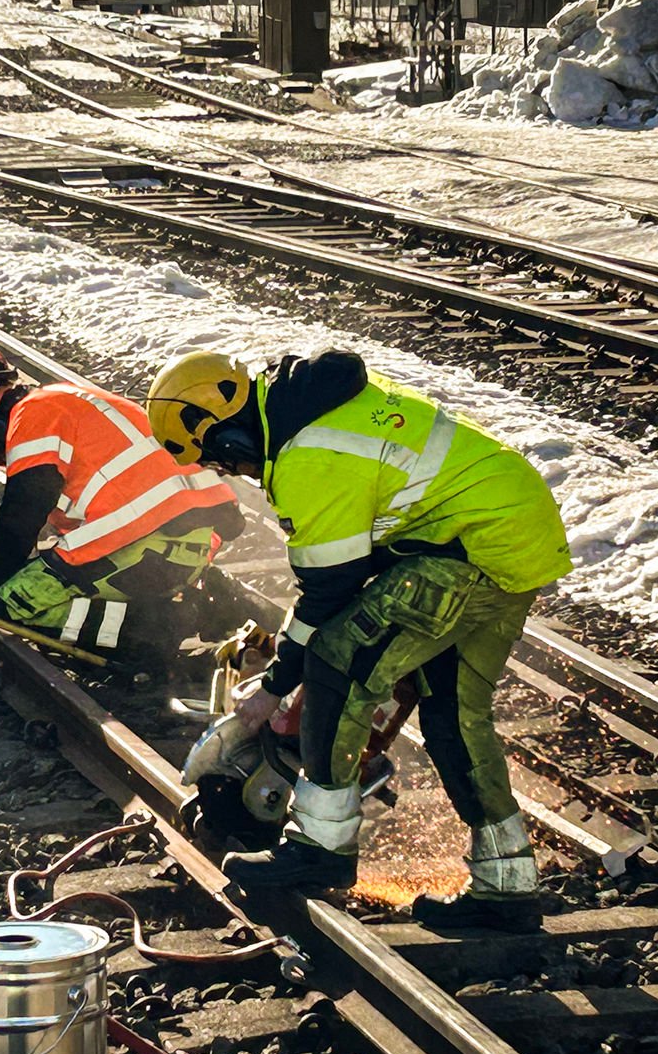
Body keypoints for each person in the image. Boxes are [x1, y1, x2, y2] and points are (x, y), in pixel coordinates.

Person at [145, 349, 571, 932]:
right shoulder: (311, 410)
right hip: (512, 543)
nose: (233, 469)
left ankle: (320, 848)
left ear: (219, 422)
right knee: (452, 720)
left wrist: (273, 687)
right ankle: (508, 885)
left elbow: (328, 594)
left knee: (335, 666)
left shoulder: (308, 454)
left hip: (466, 548)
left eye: (221, 455)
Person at [0, 375, 242, 657]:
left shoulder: (29, 419)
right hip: (193, 545)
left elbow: (23, 510)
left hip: (147, 552)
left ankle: (158, 628)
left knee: (13, 603)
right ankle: (198, 600)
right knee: (61, 576)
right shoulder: (71, 397)